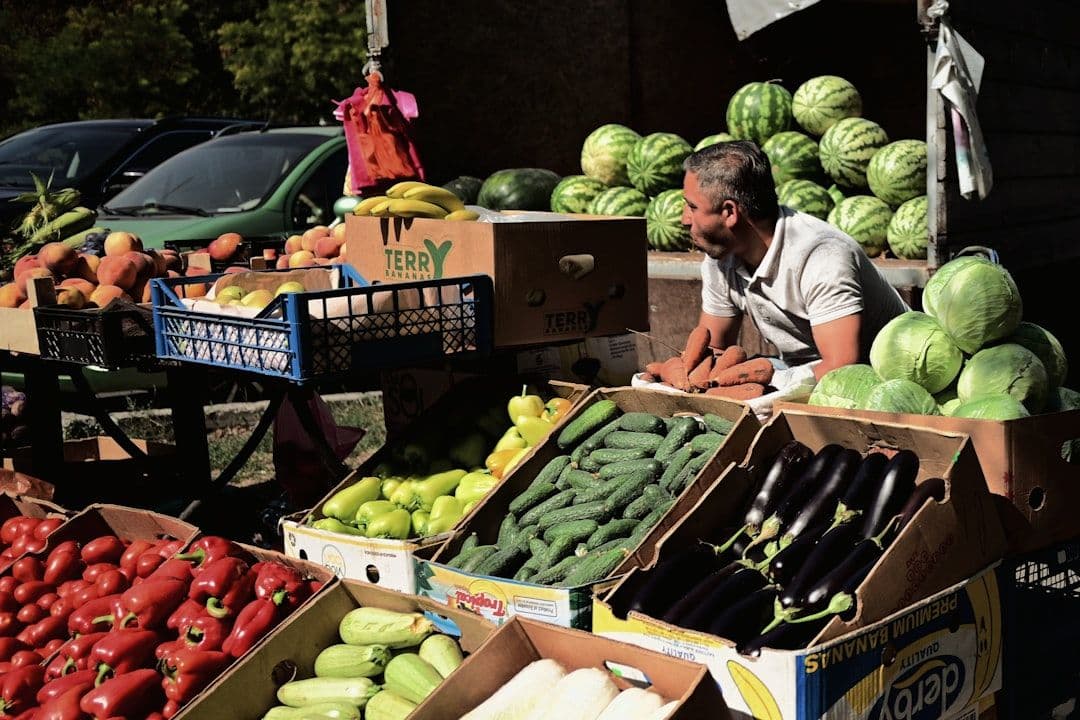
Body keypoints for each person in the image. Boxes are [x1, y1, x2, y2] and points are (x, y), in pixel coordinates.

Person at [682, 141, 908, 380]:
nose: (684, 219)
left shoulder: (822, 256)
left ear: (729, 212)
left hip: (876, 381)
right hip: (798, 372)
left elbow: (841, 369)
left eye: (692, 207)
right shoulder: (722, 255)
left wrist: (762, 381)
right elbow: (715, 350)